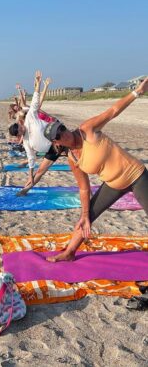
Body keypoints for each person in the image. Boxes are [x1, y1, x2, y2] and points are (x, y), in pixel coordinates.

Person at [43, 77, 148, 262]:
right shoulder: (72, 158)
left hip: (136, 176)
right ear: (56, 142)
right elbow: (84, 188)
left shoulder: (87, 130)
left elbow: (113, 111)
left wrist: (137, 92)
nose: (64, 134)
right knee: (87, 215)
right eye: (59, 135)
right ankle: (69, 252)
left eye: (63, 128)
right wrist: (84, 214)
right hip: (113, 184)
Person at [8, 71, 64, 195]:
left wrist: (39, 84)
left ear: (19, 125)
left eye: (20, 129)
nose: (21, 131)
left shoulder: (30, 118)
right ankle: (25, 189)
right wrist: (30, 174)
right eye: (19, 133)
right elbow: (31, 158)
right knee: (39, 172)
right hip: (52, 151)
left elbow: (35, 101)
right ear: (18, 135)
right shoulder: (26, 142)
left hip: (59, 139)